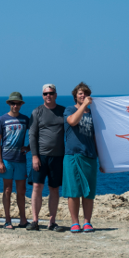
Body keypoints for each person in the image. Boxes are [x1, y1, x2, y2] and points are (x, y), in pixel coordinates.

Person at [28, 84, 66, 232]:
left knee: (54, 189)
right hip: (41, 156)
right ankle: (35, 221)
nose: (48, 96)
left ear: (56, 94)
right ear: (42, 96)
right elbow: (32, 135)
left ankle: (52, 221)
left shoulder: (63, 111)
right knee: (37, 187)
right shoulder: (37, 111)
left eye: (51, 93)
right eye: (45, 94)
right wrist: (34, 156)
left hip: (57, 157)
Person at [63, 82, 101, 233]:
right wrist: (84, 106)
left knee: (89, 192)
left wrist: (102, 160)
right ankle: (74, 222)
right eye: (80, 93)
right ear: (75, 96)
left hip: (89, 155)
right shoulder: (69, 110)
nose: (83, 95)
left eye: (85, 93)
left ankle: (87, 222)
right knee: (73, 191)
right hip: (73, 155)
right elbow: (72, 121)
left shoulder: (93, 114)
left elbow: (96, 137)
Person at [0, 92, 30, 230]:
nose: (15, 105)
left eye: (18, 103)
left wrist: (29, 147)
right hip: (7, 159)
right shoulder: (1, 120)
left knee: (21, 190)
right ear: (9, 104)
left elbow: (35, 134)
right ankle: (8, 220)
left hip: (20, 159)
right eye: (13, 103)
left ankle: (23, 220)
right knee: (7, 189)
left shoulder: (25, 120)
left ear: (21, 104)